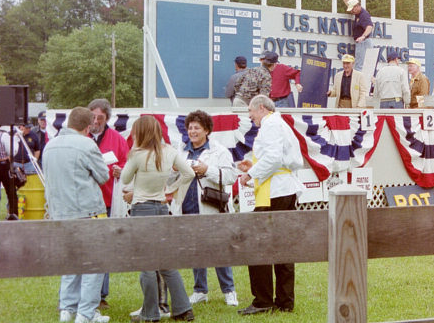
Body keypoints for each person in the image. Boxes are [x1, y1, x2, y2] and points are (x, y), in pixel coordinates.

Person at [121, 115, 196, 322]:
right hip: (162, 208)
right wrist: (169, 189)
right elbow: (188, 173)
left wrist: (133, 154)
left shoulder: (137, 155)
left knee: (147, 265)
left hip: (141, 209)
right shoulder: (170, 152)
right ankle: (183, 309)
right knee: (166, 262)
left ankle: (150, 313)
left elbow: (125, 178)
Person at [237, 95, 304, 315]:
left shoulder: (271, 124)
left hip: (276, 193)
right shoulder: (278, 123)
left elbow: (274, 158)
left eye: (251, 111)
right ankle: (284, 302)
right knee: (283, 246)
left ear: (262, 108)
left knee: (259, 246)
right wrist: (254, 165)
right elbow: (276, 158)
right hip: (282, 189)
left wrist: (251, 174)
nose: (250, 116)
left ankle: (263, 300)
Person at [43, 107, 111, 323]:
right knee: (94, 264)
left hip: (60, 213)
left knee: (70, 263)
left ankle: (67, 309)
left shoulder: (49, 146)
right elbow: (103, 176)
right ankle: (86, 313)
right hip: (87, 212)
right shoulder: (87, 144)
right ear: (88, 126)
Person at [177, 110, 240, 307]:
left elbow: (230, 177)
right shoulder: (181, 151)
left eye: (197, 128)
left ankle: (229, 290)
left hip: (212, 208)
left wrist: (207, 170)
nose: (192, 131)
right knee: (196, 250)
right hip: (188, 207)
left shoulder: (219, 151)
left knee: (219, 249)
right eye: (190, 128)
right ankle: (199, 290)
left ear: (206, 130)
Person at [88, 98, 130, 311]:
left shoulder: (116, 139)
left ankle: (101, 295)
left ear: (107, 119)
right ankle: (81, 294)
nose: (95, 121)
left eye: (100, 117)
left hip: (107, 200)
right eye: (93, 117)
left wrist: (119, 169)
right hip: (84, 202)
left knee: (103, 248)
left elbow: (127, 162)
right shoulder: (81, 137)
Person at [339, 0, 373, 72]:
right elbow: (347, 2)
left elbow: (369, 26)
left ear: (357, 6)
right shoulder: (358, 12)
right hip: (362, 42)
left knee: (359, 66)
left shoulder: (363, 15)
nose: (351, 11)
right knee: (361, 65)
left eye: (352, 9)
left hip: (363, 42)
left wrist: (363, 37)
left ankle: (358, 84)